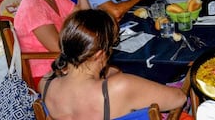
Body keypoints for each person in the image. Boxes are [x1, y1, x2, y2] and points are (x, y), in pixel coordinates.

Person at [39, 9, 186, 120]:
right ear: (100, 54)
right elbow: (179, 98)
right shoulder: (118, 87)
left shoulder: (45, 83)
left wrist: (108, 72)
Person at [14, 0, 90, 87]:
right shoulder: (33, 7)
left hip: (65, 62)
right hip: (47, 72)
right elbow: (57, 47)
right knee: (107, 78)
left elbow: (86, 17)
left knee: (114, 70)